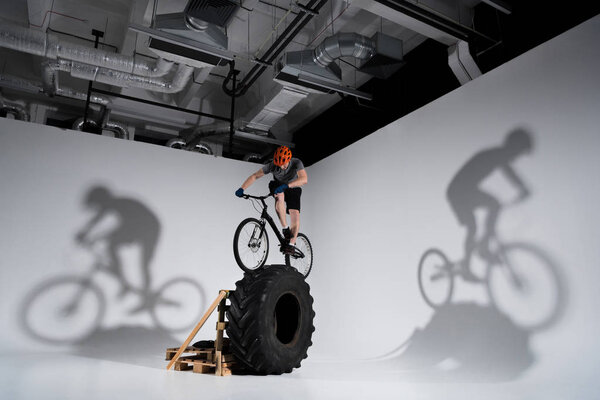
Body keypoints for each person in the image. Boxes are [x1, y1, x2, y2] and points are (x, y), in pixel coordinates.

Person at [446, 128, 533, 281]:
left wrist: (522, 187)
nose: (518, 156)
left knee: (494, 205)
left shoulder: (498, 155)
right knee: (473, 226)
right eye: (519, 152)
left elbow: (508, 170)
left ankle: (483, 246)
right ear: (513, 146)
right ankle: (468, 265)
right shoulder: (497, 154)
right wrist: (522, 187)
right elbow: (509, 172)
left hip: (465, 190)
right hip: (457, 192)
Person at [75, 186, 161, 313]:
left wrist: (93, 237)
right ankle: (124, 282)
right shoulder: (111, 205)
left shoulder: (122, 203)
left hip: (150, 228)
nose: (98, 207)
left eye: (97, 204)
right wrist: (85, 233)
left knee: (143, 264)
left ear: (103, 199)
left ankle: (146, 298)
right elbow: (96, 219)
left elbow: (125, 227)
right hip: (137, 227)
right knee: (112, 245)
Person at [235, 146, 308, 253]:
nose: (282, 166)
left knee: (295, 213)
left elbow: (304, 179)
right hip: (278, 186)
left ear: (289, 160)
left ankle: (291, 245)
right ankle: (285, 228)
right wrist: (242, 188)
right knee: (279, 195)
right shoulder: (272, 165)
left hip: (293, 187)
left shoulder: (296, 162)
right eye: (279, 164)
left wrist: (287, 185)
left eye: (284, 164)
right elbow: (255, 176)